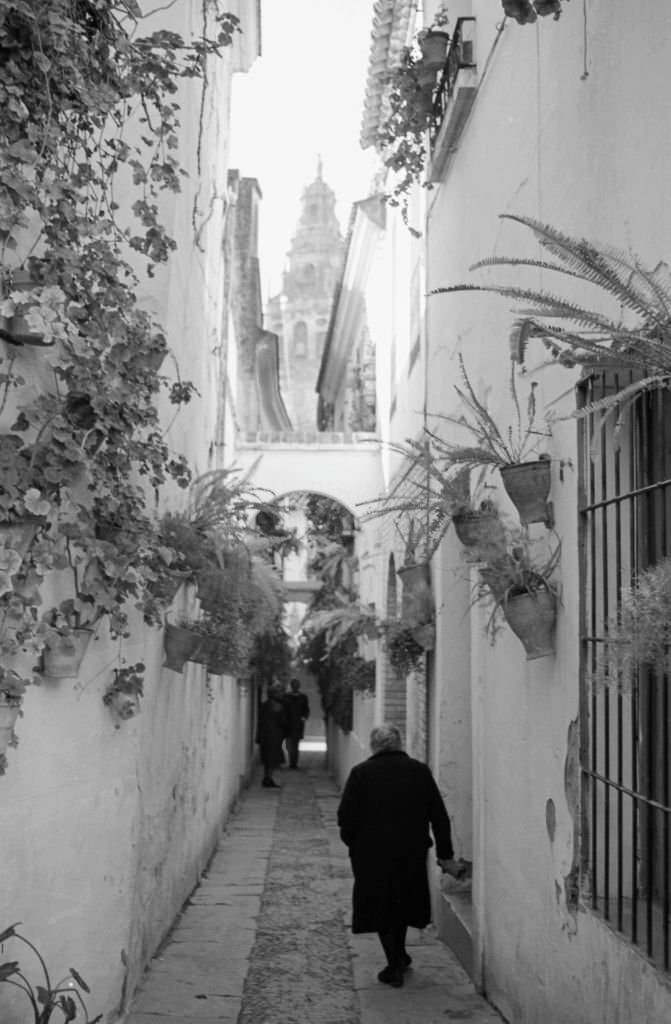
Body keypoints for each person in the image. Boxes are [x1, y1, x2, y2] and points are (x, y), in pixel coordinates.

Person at [337, 723, 461, 989]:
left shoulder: (361, 774)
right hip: (410, 850)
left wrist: (354, 844)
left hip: (371, 853)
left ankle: (394, 963)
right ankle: (399, 956)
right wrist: (445, 853)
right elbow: (438, 816)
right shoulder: (419, 772)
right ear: (399, 743)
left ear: (374, 745)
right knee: (401, 901)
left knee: (381, 904)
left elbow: (345, 817)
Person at [256, 681, 288, 788]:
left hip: (264, 735)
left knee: (267, 757)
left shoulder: (264, 705)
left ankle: (267, 777)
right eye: (278, 692)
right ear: (274, 694)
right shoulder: (278, 707)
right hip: (274, 735)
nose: (281, 694)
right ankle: (268, 778)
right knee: (272, 758)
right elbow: (283, 722)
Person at [283, 677, 310, 769]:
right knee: (289, 744)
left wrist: (304, 718)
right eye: (294, 685)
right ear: (291, 686)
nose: (295, 686)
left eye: (297, 685)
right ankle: (292, 761)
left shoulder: (303, 697)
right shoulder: (286, 696)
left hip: (298, 724)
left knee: (296, 744)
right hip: (288, 724)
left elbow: (306, 710)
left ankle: (294, 763)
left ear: (299, 686)